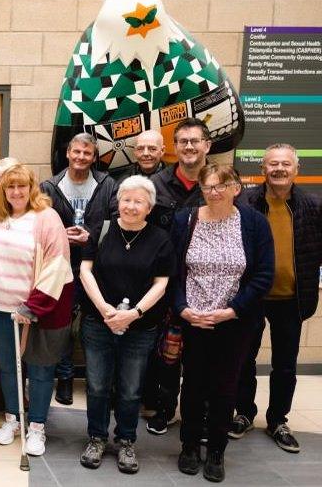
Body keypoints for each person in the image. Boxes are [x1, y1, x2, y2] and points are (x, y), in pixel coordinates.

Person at [171, 164, 274, 483]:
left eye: (221, 185)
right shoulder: (184, 220)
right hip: (193, 319)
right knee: (192, 386)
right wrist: (183, 309)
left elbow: (263, 276)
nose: (214, 192)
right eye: (208, 186)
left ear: (236, 188)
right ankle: (189, 446)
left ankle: (216, 450)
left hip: (234, 322)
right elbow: (172, 271)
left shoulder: (253, 223)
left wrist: (231, 311)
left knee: (224, 387)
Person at [77, 176, 174, 474]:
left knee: (131, 389)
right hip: (98, 322)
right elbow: (84, 270)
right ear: (118, 202)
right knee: (97, 386)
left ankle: (126, 441)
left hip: (140, 328)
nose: (131, 206)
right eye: (126, 200)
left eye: (138, 202)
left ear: (149, 207)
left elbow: (162, 283)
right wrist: (104, 308)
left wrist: (135, 313)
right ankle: (96, 438)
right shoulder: (102, 230)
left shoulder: (161, 239)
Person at [232, 144, 322, 453]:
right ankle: (243, 413)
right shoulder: (245, 203)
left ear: (297, 169)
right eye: (272, 164)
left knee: (285, 365)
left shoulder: (313, 207)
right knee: (244, 359)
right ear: (262, 170)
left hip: (292, 300)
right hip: (251, 297)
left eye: (285, 164)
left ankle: (278, 419)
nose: (279, 169)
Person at [0, 165, 74, 458]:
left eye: (22, 186)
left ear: (32, 187)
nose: (16, 192)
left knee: (39, 368)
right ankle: (12, 418)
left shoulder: (46, 218)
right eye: (10, 187)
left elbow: (57, 264)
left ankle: (36, 425)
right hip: (0, 307)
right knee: (9, 367)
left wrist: (32, 306)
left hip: (37, 310)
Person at [142, 118, 212, 436]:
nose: (188, 146)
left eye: (195, 141)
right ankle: (165, 408)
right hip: (165, 282)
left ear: (207, 145)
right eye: (182, 141)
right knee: (167, 351)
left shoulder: (217, 184)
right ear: (175, 147)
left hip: (207, 284)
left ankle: (200, 411)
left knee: (202, 352)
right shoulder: (156, 184)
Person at [39, 132, 117, 406]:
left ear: (94, 157)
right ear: (68, 153)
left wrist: (91, 238)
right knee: (62, 326)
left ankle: (102, 382)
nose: (81, 157)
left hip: (98, 266)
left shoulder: (107, 185)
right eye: (76, 152)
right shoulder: (49, 186)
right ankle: (65, 378)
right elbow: (39, 222)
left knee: (93, 325)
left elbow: (116, 221)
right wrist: (62, 233)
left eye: (87, 153)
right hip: (61, 265)